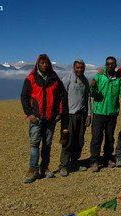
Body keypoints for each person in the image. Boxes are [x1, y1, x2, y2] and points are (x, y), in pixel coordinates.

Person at [21, 54, 64, 183]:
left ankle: (44, 168)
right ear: (38, 64)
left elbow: (61, 96)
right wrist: (29, 114)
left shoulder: (54, 78)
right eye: (42, 63)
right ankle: (33, 170)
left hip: (50, 118)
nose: (45, 65)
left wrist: (60, 112)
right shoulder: (31, 79)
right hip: (37, 118)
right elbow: (24, 97)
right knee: (35, 144)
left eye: (46, 63)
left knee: (47, 144)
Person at [89, 56, 121, 172]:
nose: (110, 65)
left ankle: (107, 159)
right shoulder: (99, 76)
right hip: (99, 113)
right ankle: (94, 161)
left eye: (112, 64)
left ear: (115, 65)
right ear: (105, 65)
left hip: (112, 114)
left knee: (110, 138)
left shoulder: (118, 79)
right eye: (108, 63)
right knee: (96, 138)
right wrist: (93, 87)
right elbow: (93, 94)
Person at [59, 59, 91, 176]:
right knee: (68, 139)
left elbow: (87, 98)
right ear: (74, 67)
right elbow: (61, 96)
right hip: (69, 115)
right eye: (77, 67)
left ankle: (74, 162)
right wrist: (62, 112)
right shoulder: (67, 78)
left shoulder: (85, 80)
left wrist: (89, 114)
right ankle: (64, 165)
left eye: (81, 68)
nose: (79, 70)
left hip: (81, 114)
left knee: (79, 140)